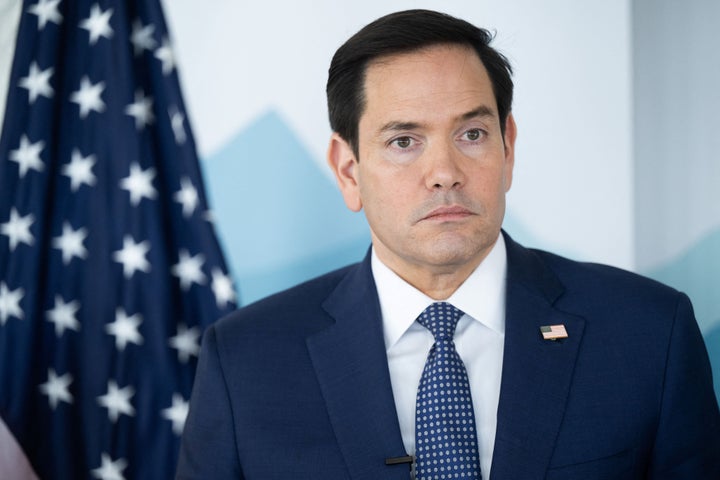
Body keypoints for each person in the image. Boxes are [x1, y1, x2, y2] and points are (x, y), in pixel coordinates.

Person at [176, 9, 720, 479]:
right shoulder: (246, 361)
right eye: (404, 141)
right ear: (348, 172)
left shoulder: (648, 332)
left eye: (472, 134)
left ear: (508, 149)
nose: (444, 173)